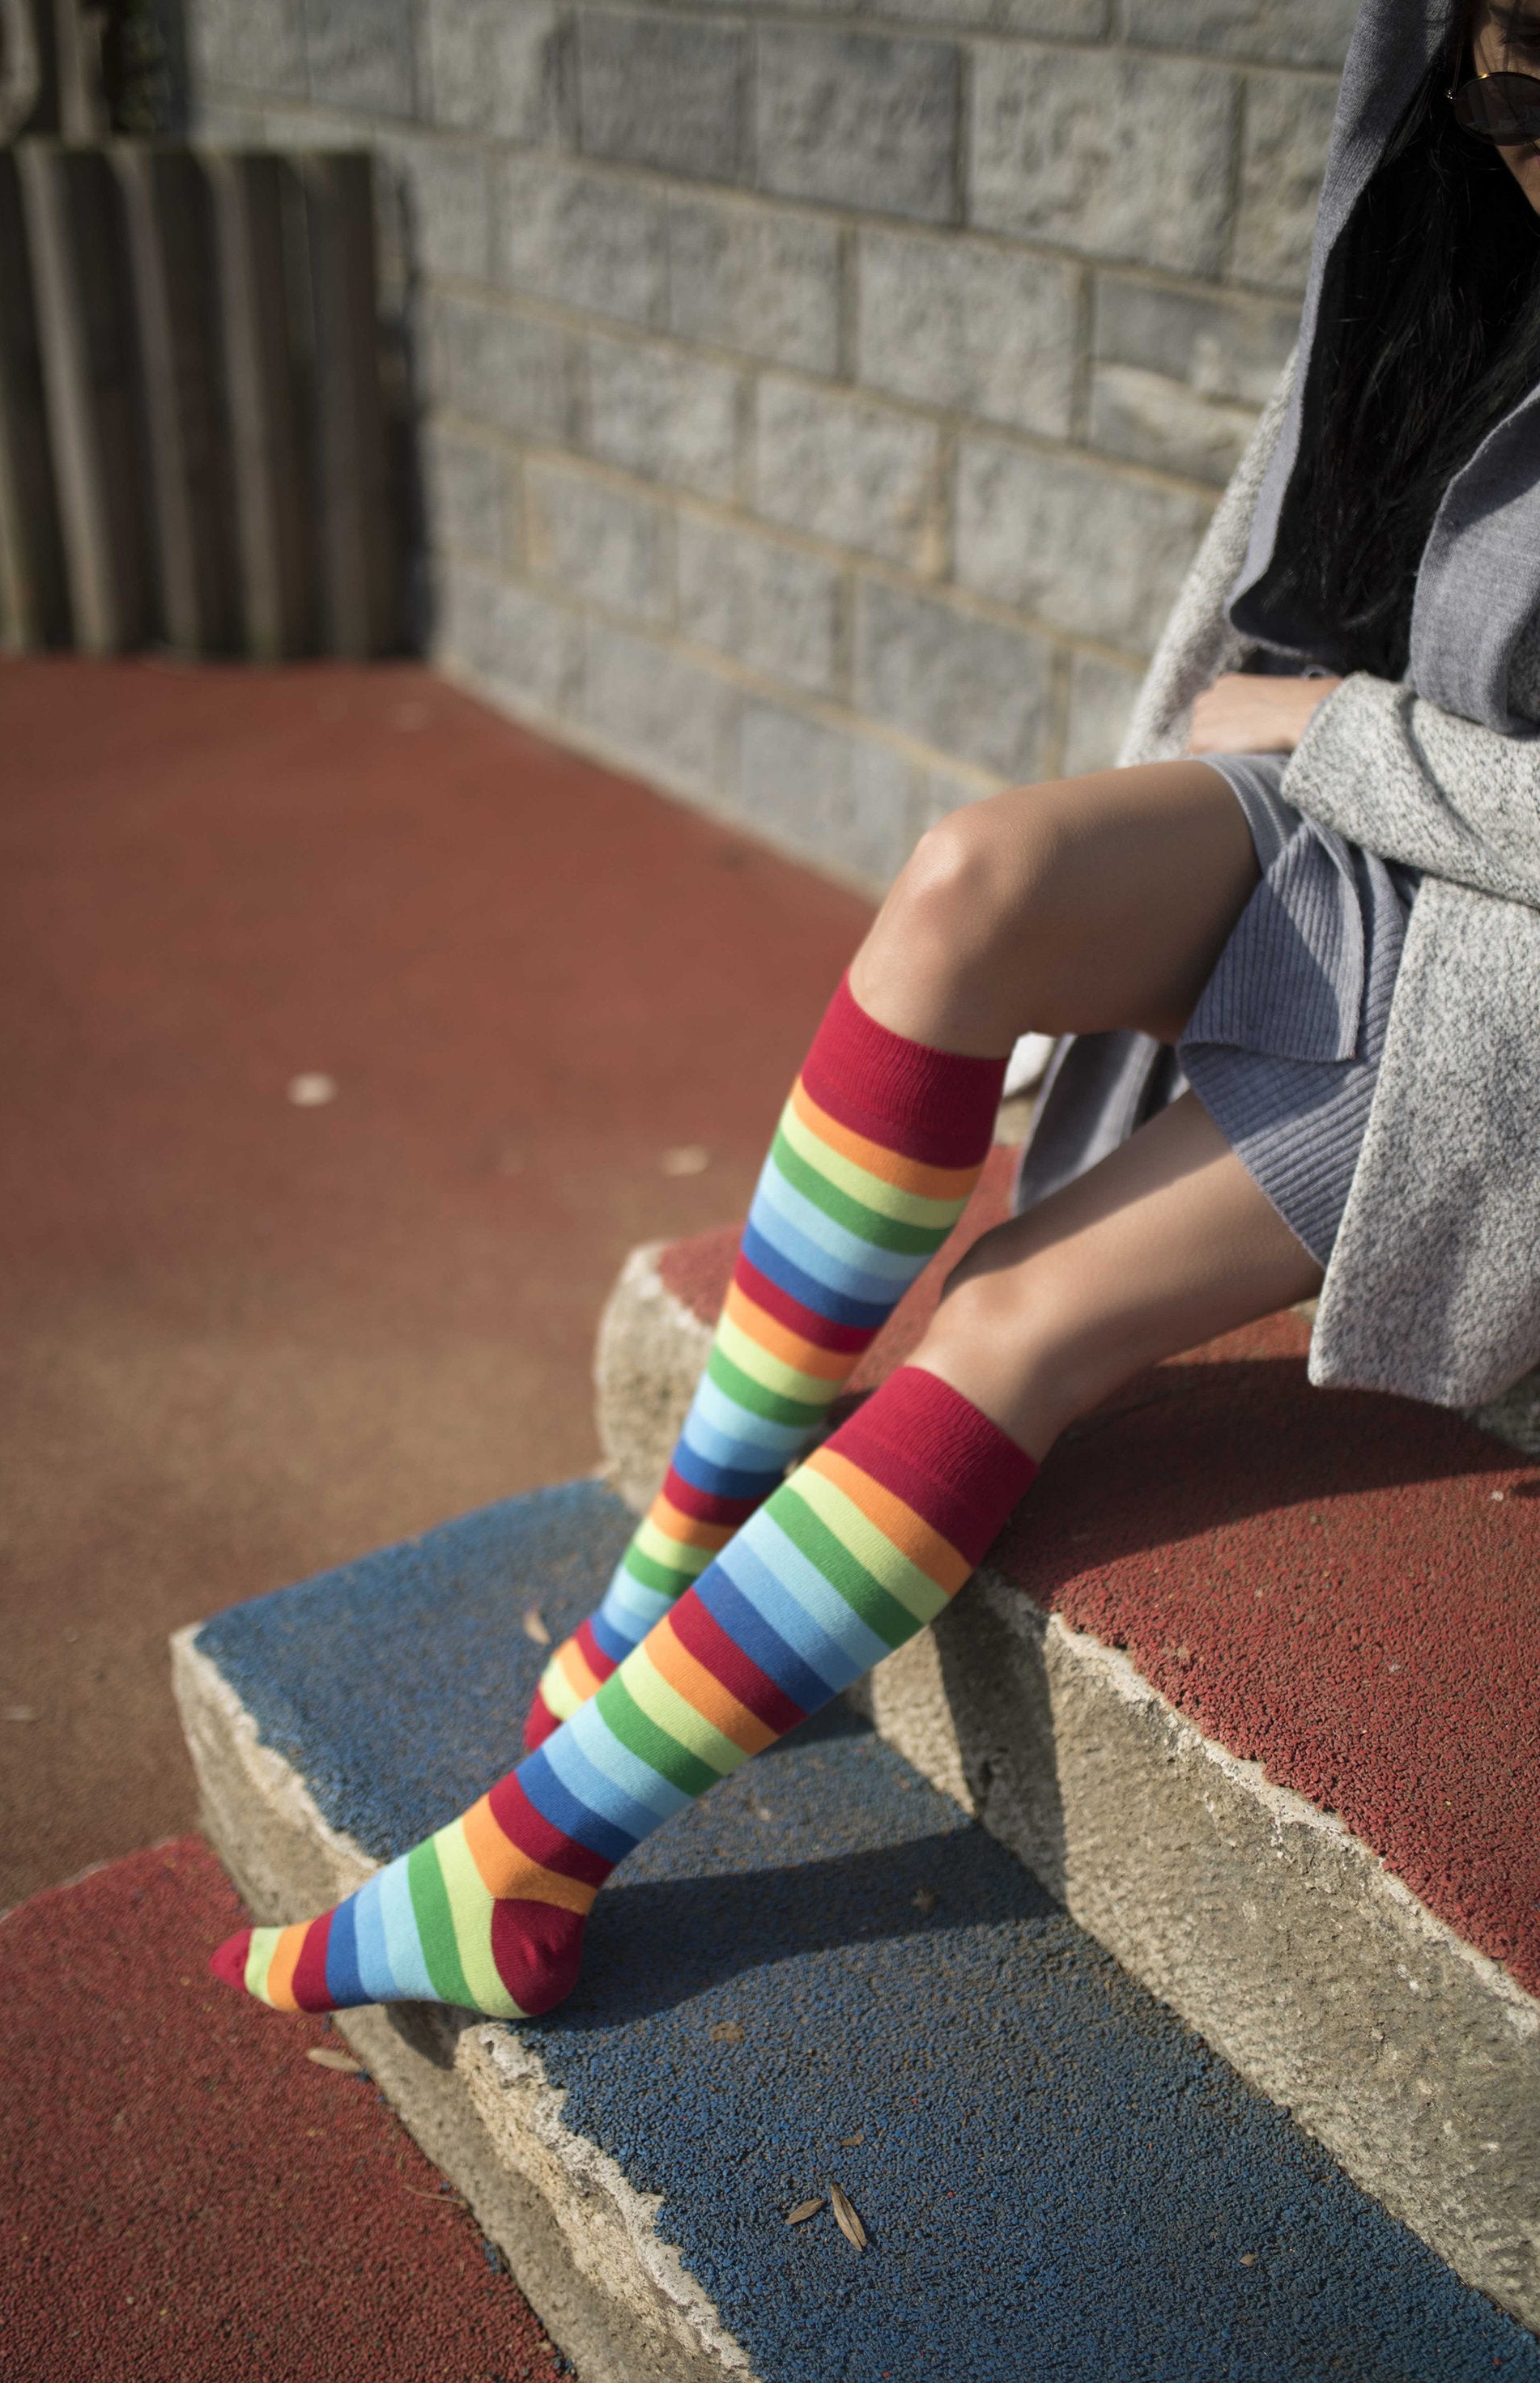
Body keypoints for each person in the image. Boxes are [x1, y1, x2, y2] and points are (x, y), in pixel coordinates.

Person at [212, 0, 1540, 2023]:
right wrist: (1208, 795)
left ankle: (521, 1872)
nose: (1509, 118)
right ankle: (674, 1573)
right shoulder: (1440, 188)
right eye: (1491, 67)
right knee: (961, 888)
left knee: (1007, 1311)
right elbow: (1285, 556)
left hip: (1502, 959)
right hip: (1357, 799)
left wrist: (1330, 733)